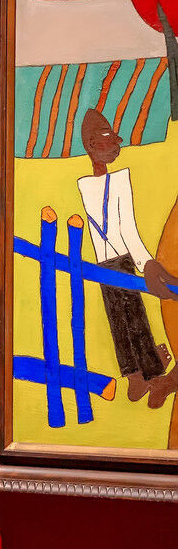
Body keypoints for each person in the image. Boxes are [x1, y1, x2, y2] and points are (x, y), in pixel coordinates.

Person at [77, 109, 178, 405]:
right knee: (117, 317)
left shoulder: (121, 180)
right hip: (104, 262)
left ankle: (150, 369)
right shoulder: (85, 185)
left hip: (124, 259)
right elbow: (102, 231)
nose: (110, 149)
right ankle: (135, 374)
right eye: (102, 142)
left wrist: (146, 263)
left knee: (134, 314)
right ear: (90, 145)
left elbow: (128, 229)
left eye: (112, 143)